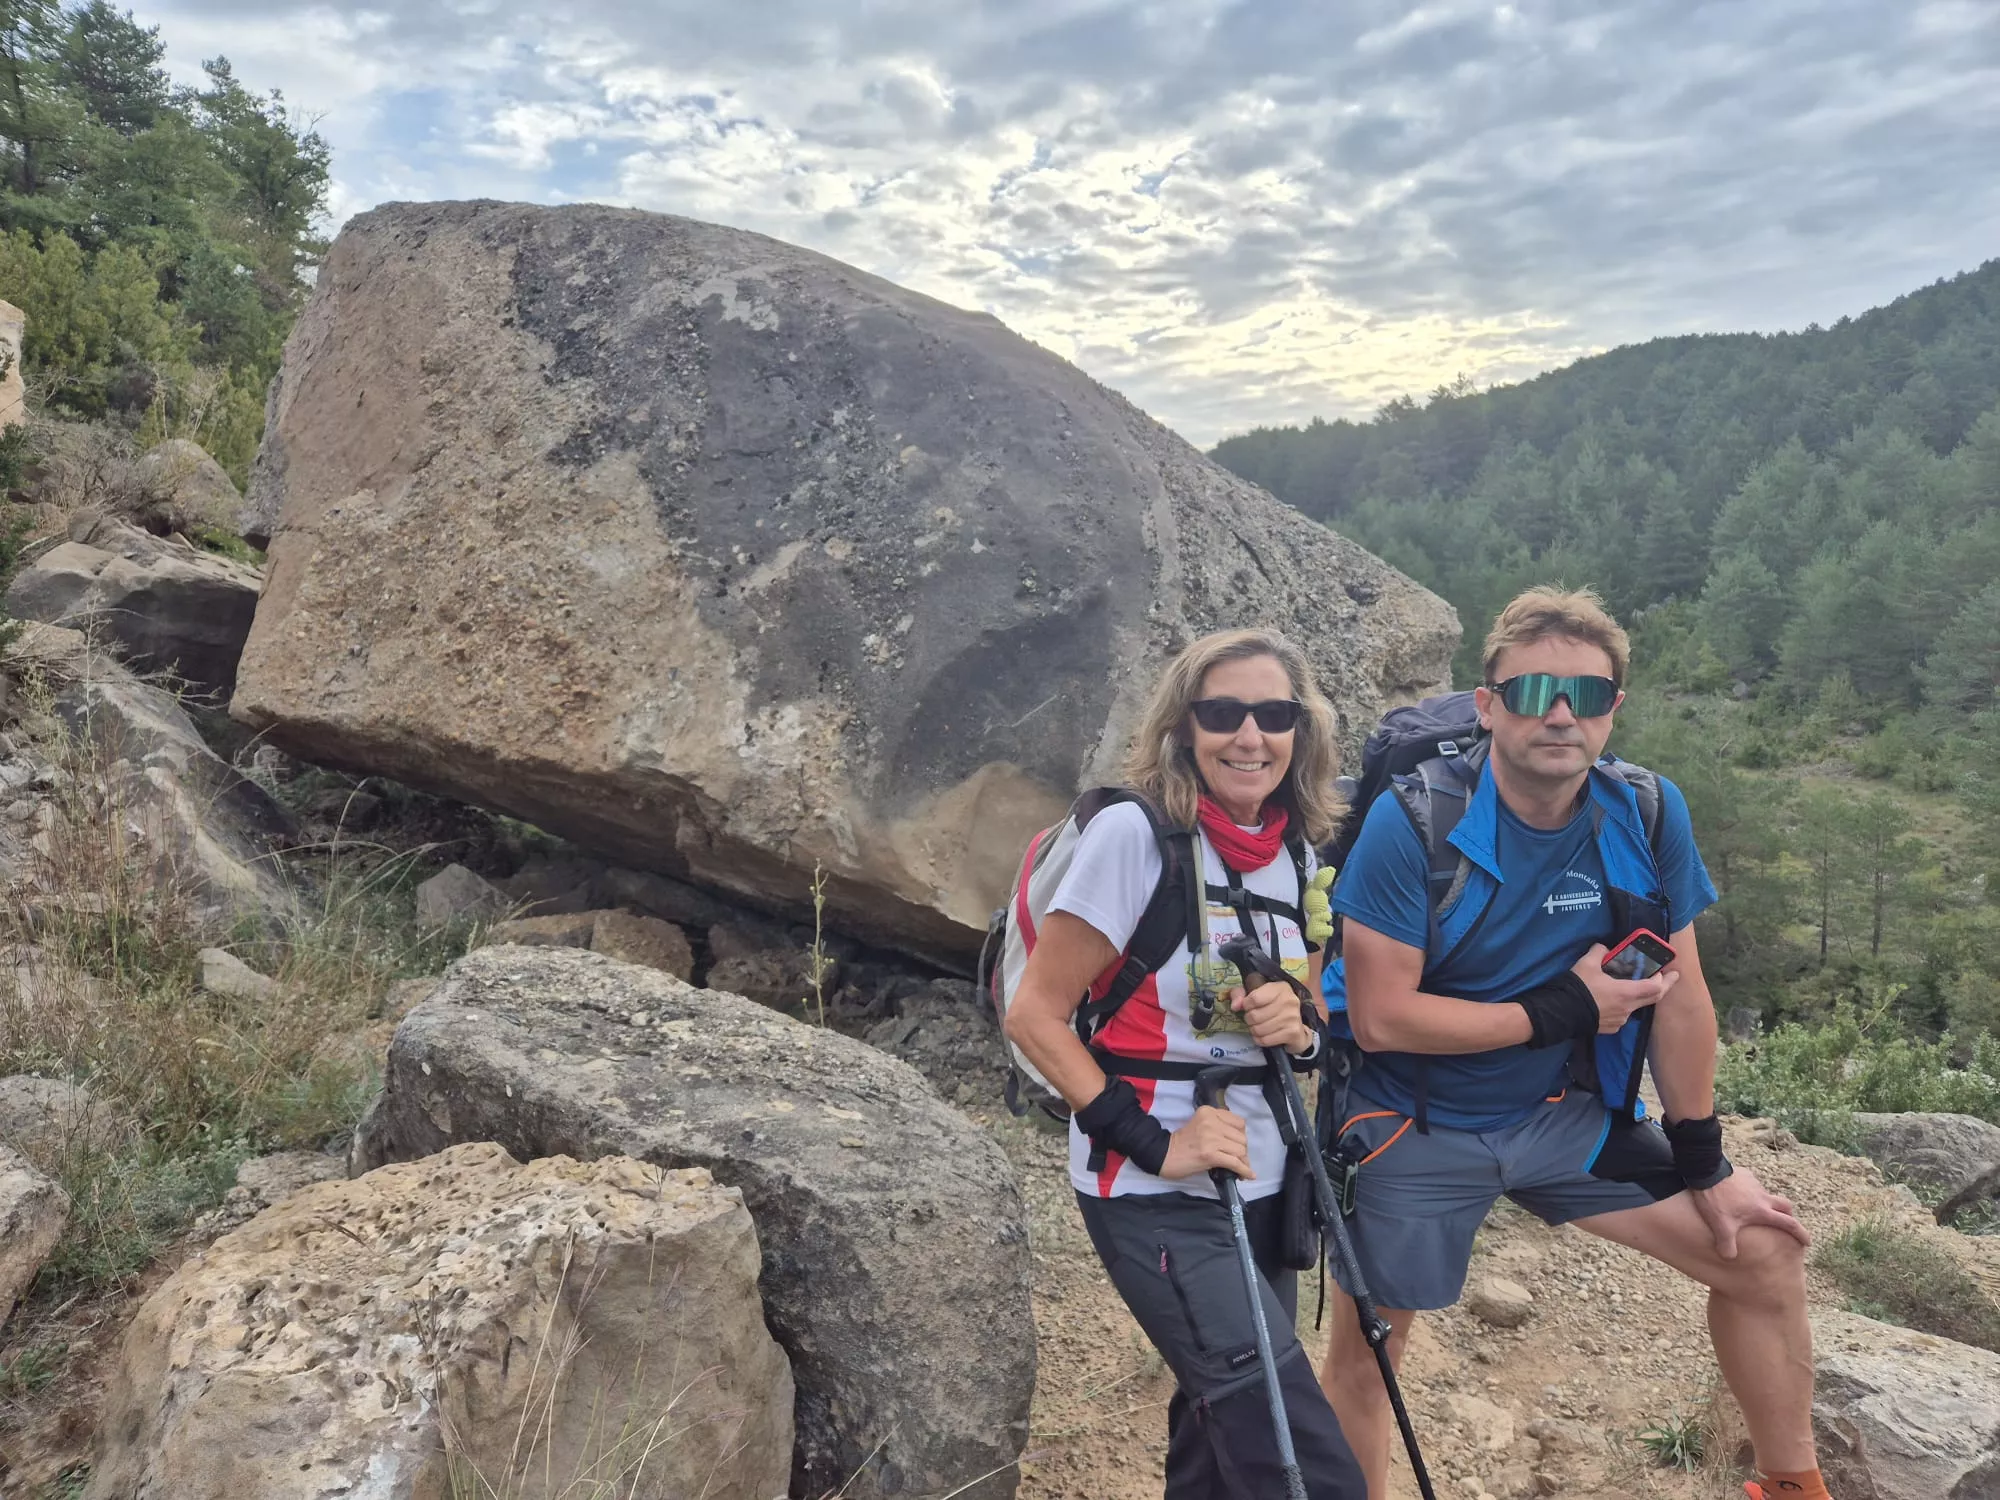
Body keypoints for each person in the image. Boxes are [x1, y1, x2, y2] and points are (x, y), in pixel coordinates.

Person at [1315, 586, 1825, 1500]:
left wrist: (1706, 1162)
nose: (1560, 714)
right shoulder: (1415, 821)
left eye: (1586, 695)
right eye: (1534, 691)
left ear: (1612, 711)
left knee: (1763, 1252)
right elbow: (1385, 1016)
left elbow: (1683, 999)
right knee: (1371, 1357)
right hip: (1410, 1125)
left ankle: (1792, 1489)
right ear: (1487, 706)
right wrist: (1566, 1009)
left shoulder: (1647, 812)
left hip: (1561, 1118)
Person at [1006, 627, 1366, 1499]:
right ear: (1183, 728)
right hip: (1154, 1191)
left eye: (1273, 713)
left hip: (1264, 1179)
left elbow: (1308, 1020)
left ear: (1301, 731)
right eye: (1223, 712)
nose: (1250, 735)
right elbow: (1035, 1015)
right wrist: (1153, 1144)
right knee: (1303, 1466)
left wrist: (1301, 1025)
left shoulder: (1296, 854)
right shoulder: (1137, 837)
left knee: (1219, 1430)